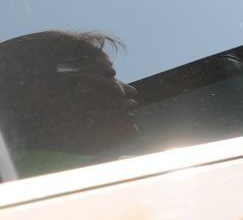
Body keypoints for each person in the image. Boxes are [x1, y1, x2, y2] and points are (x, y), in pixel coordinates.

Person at [0, 30, 140, 180]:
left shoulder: (13, 181)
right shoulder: (123, 175)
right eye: (109, 74)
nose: (131, 89)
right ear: (48, 94)